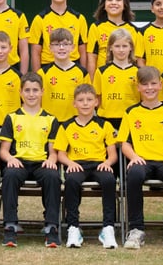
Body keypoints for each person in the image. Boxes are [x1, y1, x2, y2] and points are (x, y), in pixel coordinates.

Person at [118, 66, 163, 250]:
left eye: (153, 83)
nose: (149, 88)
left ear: (160, 85)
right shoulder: (131, 112)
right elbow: (125, 143)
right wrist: (133, 157)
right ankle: (136, 229)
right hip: (142, 159)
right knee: (134, 174)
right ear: (138, 87)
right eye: (145, 84)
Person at [0, 72, 61, 248]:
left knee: (53, 176)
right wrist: (10, 158)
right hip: (19, 161)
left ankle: (51, 227)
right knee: (9, 175)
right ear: (20, 92)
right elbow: (3, 150)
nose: (31, 94)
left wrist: (52, 159)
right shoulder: (12, 117)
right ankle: (10, 226)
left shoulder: (50, 119)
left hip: (41, 162)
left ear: (42, 92)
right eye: (27, 90)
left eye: (35, 90)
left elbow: (53, 151)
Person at [54, 84, 119, 249]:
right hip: (77, 164)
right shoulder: (66, 126)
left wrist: (107, 162)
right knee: (71, 181)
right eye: (81, 100)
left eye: (89, 100)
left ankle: (108, 228)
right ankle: (73, 228)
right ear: (74, 103)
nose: (85, 103)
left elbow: (113, 154)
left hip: (98, 164)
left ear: (96, 102)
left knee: (109, 180)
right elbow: (61, 153)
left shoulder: (104, 125)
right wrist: (69, 163)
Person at [29, 0, 88, 72]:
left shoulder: (79, 18)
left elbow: (82, 51)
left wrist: (83, 73)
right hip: (48, 68)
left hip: (73, 67)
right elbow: (35, 53)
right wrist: (37, 79)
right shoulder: (40, 19)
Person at [87, 0, 144, 79]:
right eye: (109, 0)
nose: (114, 3)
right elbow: (92, 58)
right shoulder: (96, 27)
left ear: (125, 4)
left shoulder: (134, 30)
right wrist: (92, 83)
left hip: (128, 80)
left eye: (118, 0)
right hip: (104, 80)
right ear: (104, 5)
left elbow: (137, 59)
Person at [37, 27, 91, 123]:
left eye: (65, 44)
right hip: (48, 123)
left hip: (74, 124)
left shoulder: (82, 73)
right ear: (50, 48)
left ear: (73, 47)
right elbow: (37, 101)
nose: (61, 48)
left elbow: (87, 100)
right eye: (57, 44)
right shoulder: (43, 73)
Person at [93, 28, 139, 130]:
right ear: (110, 48)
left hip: (130, 118)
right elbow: (98, 97)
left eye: (125, 46)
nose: (121, 50)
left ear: (131, 47)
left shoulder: (138, 72)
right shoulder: (101, 71)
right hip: (106, 119)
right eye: (117, 46)